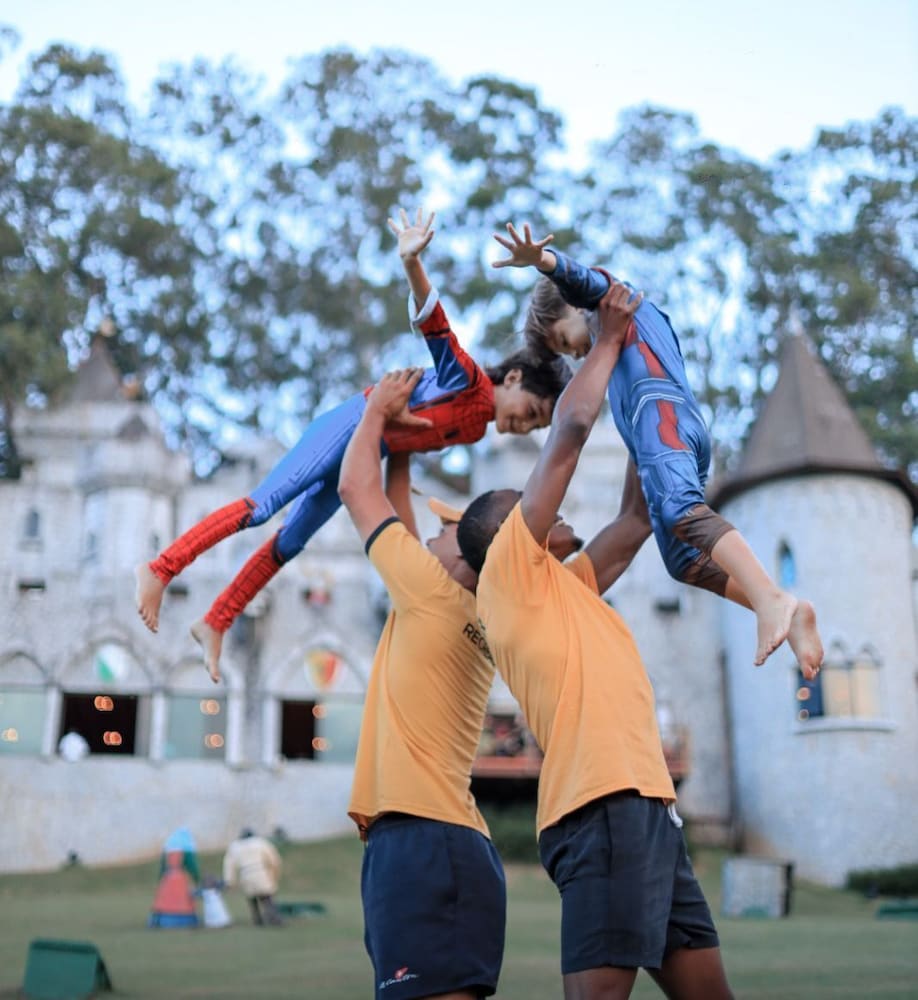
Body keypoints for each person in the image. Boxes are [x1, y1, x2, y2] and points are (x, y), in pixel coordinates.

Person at [135, 209, 569, 683]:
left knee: (291, 541)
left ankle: (216, 621)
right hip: (345, 428)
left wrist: (403, 526)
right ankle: (161, 568)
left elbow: (402, 455)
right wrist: (412, 263)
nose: (522, 427)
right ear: (512, 377)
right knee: (261, 508)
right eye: (530, 412)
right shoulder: (467, 384)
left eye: (533, 428)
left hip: (363, 454)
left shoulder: (472, 430)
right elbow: (436, 327)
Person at [456, 282, 735, 999]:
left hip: (645, 807)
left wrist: (653, 389)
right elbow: (570, 435)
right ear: (512, 536)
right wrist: (606, 341)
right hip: (600, 803)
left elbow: (637, 518)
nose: (555, 508)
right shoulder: (512, 579)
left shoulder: (564, 587)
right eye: (534, 509)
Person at [492, 222, 823, 679]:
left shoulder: (616, 302)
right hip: (658, 437)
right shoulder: (617, 347)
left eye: (567, 342)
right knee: (682, 561)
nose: (578, 353)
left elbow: (587, 282)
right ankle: (787, 613)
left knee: (680, 510)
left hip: (663, 417)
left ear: (571, 306)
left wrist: (545, 263)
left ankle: (770, 596)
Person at [222, 828, 283, 927]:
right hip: (260, 871)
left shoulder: (234, 847)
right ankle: (274, 918)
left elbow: (229, 865)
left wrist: (229, 881)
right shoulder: (261, 842)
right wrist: (274, 873)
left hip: (245, 873)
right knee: (266, 896)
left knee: (252, 898)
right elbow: (273, 859)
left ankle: (257, 920)